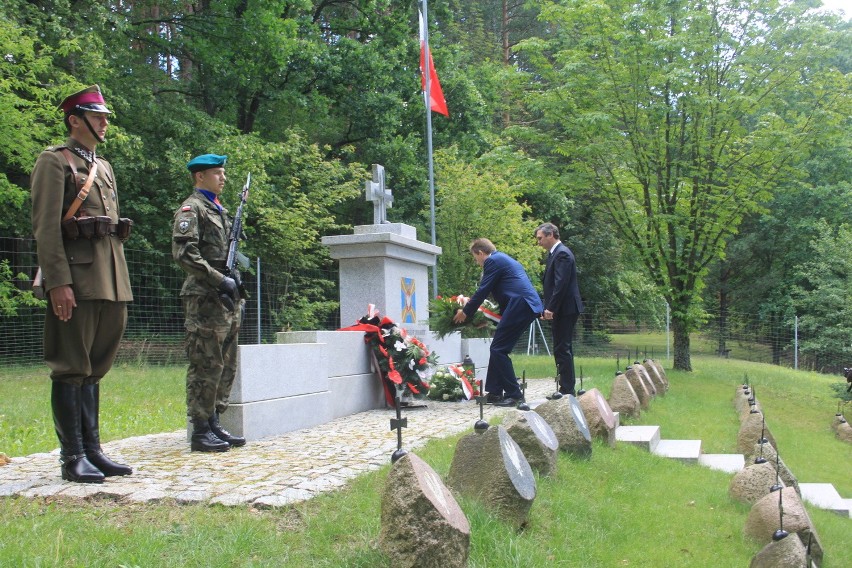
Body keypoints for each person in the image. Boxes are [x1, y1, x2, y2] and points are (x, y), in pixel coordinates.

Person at [30, 85, 133, 483]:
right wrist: (58, 282)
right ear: (75, 120)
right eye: (97, 116)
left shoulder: (103, 167)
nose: (105, 122)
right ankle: (72, 457)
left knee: (95, 367)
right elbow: (46, 228)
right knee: (71, 366)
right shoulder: (53, 162)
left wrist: (119, 280)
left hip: (111, 278)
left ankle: (93, 450)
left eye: (106, 116)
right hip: (77, 278)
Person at [172, 153, 246, 452]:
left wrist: (233, 280)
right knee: (206, 362)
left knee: (226, 362)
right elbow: (185, 253)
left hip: (225, 297)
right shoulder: (192, 209)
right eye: (217, 173)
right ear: (199, 176)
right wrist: (218, 279)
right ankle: (201, 429)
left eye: (224, 173)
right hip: (205, 297)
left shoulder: (220, 209)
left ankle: (215, 421)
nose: (223, 178)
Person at [453, 238, 543, 406]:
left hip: (521, 305)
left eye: (475, 258)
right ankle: (494, 393)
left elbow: (483, 290)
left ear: (481, 253)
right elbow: (507, 291)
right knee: (498, 347)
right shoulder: (503, 259)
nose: (477, 262)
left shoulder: (493, 260)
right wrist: (488, 320)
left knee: (499, 349)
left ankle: (514, 395)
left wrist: (466, 312)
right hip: (523, 305)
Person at [535, 222, 584, 395]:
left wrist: (550, 308)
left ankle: (567, 389)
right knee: (561, 347)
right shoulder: (554, 254)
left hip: (565, 309)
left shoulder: (562, 254)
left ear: (551, 235)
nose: (538, 242)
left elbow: (560, 284)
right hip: (562, 308)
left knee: (562, 348)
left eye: (540, 238)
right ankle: (566, 387)